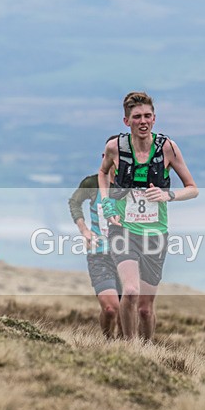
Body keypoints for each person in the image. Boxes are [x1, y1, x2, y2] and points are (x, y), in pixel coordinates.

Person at [98, 91, 198, 341]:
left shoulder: (168, 148)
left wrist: (169, 196)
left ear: (154, 119)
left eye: (147, 116)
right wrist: (107, 203)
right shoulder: (115, 147)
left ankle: (146, 349)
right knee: (130, 291)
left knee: (145, 308)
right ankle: (129, 351)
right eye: (137, 117)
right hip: (123, 229)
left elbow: (192, 189)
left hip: (155, 233)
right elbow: (102, 173)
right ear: (126, 121)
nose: (143, 121)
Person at [69, 142, 123, 339]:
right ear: (105, 157)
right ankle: (108, 342)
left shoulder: (131, 184)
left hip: (128, 255)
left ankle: (127, 350)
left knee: (126, 312)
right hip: (99, 253)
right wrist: (84, 230)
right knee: (111, 308)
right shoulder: (92, 184)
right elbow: (74, 202)